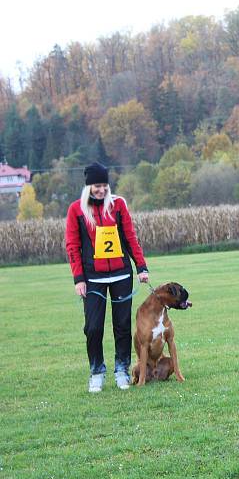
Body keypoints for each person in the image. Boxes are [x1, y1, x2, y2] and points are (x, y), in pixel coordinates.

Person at [65, 162, 149, 392]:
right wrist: (78, 278)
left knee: (122, 326)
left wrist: (141, 267)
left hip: (121, 274)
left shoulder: (118, 205)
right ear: (88, 187)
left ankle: (121, 369)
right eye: (96, 186)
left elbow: (131, 237)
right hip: (92, 278)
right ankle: (96, 371)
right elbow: (72, 246)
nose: (101, 190)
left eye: (104, 185)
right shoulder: (76, 210)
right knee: (93, 327)